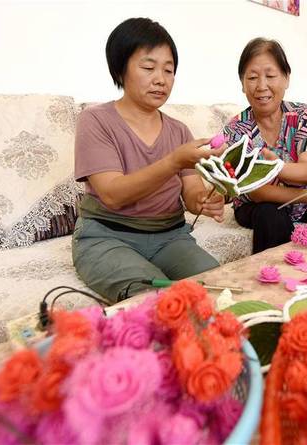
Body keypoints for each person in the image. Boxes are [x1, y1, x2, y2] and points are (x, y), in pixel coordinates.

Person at [73, 18, 225, 302]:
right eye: (148, 67)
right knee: (151, 300)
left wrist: (203, 200)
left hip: (170, 236)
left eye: (169, 70)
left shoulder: (179, 130)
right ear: (120, 68)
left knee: (215, 288)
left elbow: (192, 192)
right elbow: (112, 194)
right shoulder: (95, 120)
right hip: (107, 236)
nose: (161, 79)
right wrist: (174, 161)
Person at [223, 37, 307, 253]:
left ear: (286, 78)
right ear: (242, 83)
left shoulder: (302, 116)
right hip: (255, 205)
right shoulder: (236, 129)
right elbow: (258, 192)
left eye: (270, 76)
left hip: (303, 200)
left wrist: (278, 168)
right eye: (252, 77)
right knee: (271, 214)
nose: (261, 86)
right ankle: (273, 281)